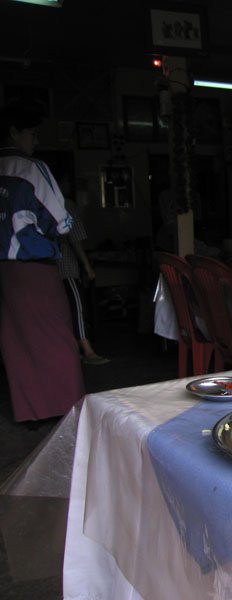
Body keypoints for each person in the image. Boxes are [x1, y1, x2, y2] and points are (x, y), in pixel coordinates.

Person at [0, 102, 85, 422]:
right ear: (14, 133)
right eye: (32, 134)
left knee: (17, 341)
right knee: (57, 337)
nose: (35, 141)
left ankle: (31, 411)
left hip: (4, 269)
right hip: (34, 265)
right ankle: (67, 410)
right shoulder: (30, 168)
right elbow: (63, 222)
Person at [58, 196, 110, 365]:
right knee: (77, 306)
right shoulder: (65, 204)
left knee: (63, 310)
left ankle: (70, 350)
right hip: (65, 266)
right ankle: (87, 351)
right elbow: (76, 239)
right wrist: (87, 266)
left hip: (47, 267)